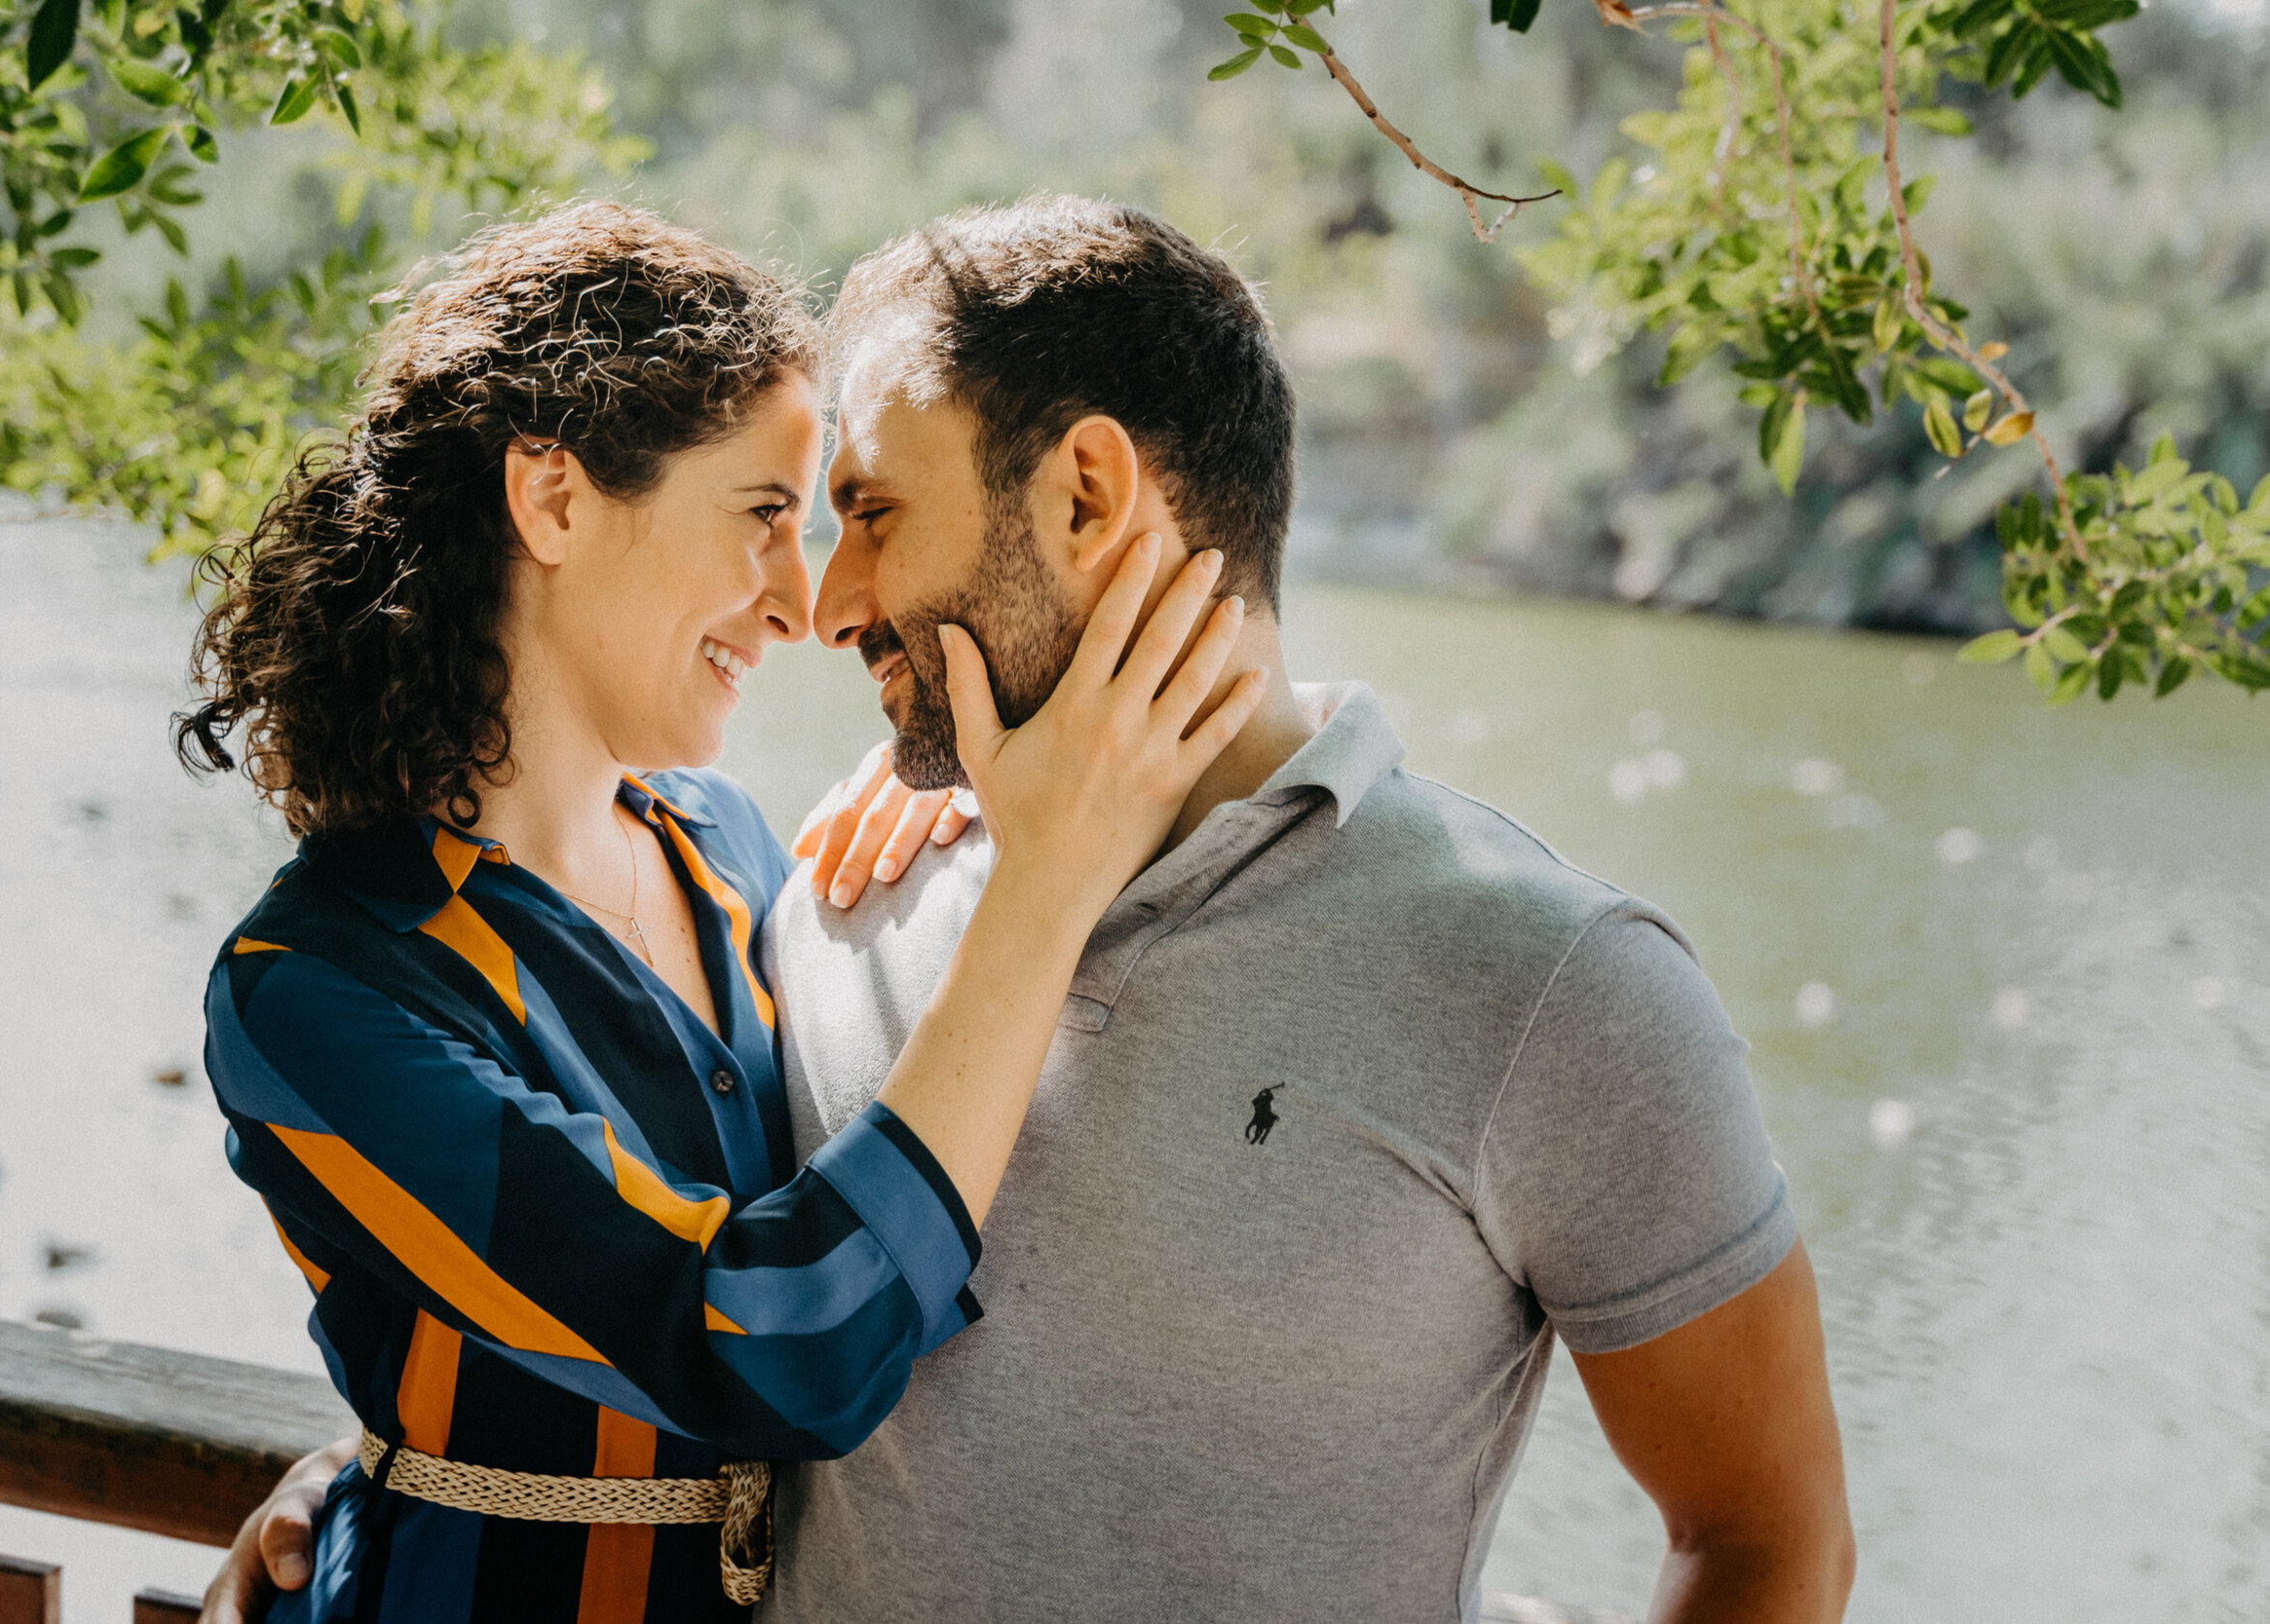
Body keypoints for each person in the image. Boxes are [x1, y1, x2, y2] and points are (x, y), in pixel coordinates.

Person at [212, 196, 1855, 1623]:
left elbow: (1770, 1540)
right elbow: (690, 1322)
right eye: (783, 518)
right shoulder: (840, 901)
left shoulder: (1554, 981)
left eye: (865, 512)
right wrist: (407, 1478)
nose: (821, 604)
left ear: (1084, 495)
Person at [177, 200, 1263, 1624]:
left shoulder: (736, 851)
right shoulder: (317, 989)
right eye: (762, 516)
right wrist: (1049, 881)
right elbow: (771, 1346)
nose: (803, 603)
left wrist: (966, 784)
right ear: (552, 499)